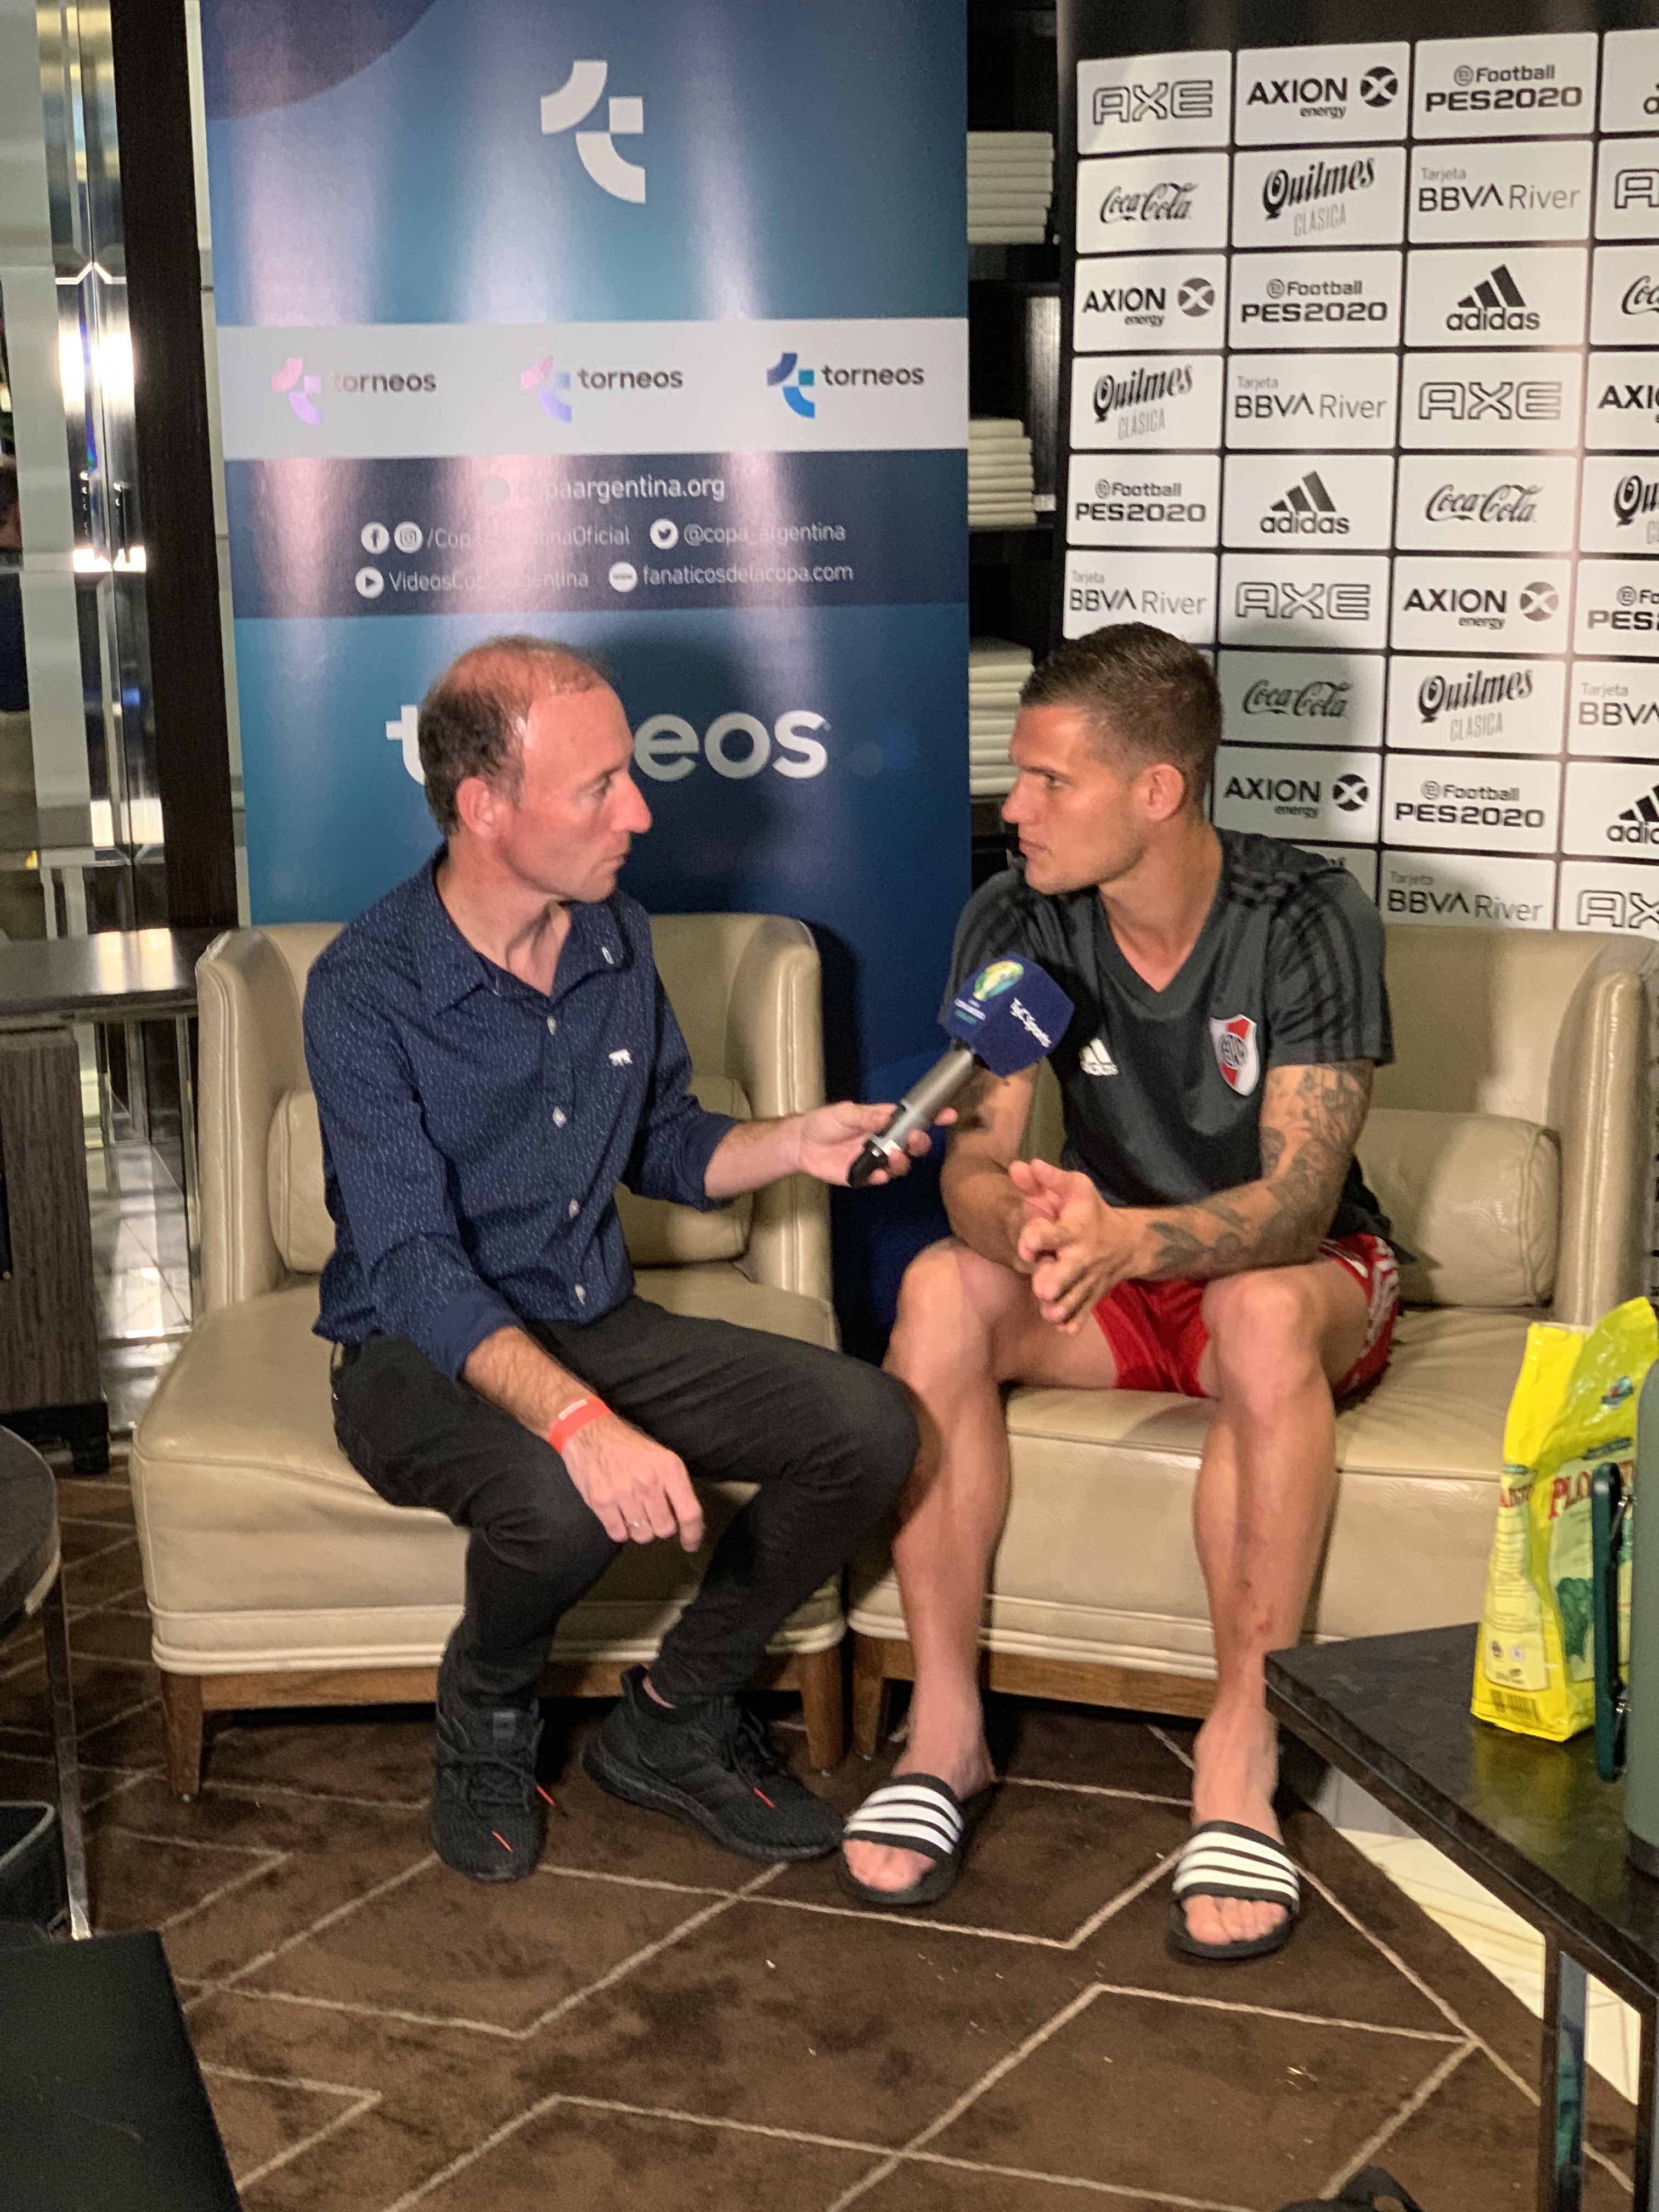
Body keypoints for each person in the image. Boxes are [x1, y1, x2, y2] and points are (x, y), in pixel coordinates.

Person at [306, 635, 929, 1883]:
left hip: (596, 1316)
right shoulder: (363, 988)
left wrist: (792, 1143)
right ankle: (486, 1714)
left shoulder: (617, 937)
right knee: (558, 1505)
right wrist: (585, 1428)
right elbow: (415, 1263)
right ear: (486, 808)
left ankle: (675, 1717)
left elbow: (662, 1143)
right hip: (414, 1352)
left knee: (870, 1427)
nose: (640, 814)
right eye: (600, 788)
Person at [840, 622, 1398, 1963]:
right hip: (1115, 1270)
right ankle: (946, 1731)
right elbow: (975, 1169)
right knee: (941, 1289)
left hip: (1288, 1279)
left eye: (1050, 781)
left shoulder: (1307, 916)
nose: (1013, 808)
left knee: (1261, 1310)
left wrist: (1132, 1241)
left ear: (1159, 789)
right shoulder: (1016, 916)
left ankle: (1239, 1755)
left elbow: (1301, 1202)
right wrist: (1027, 1222)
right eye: (1017, 776)